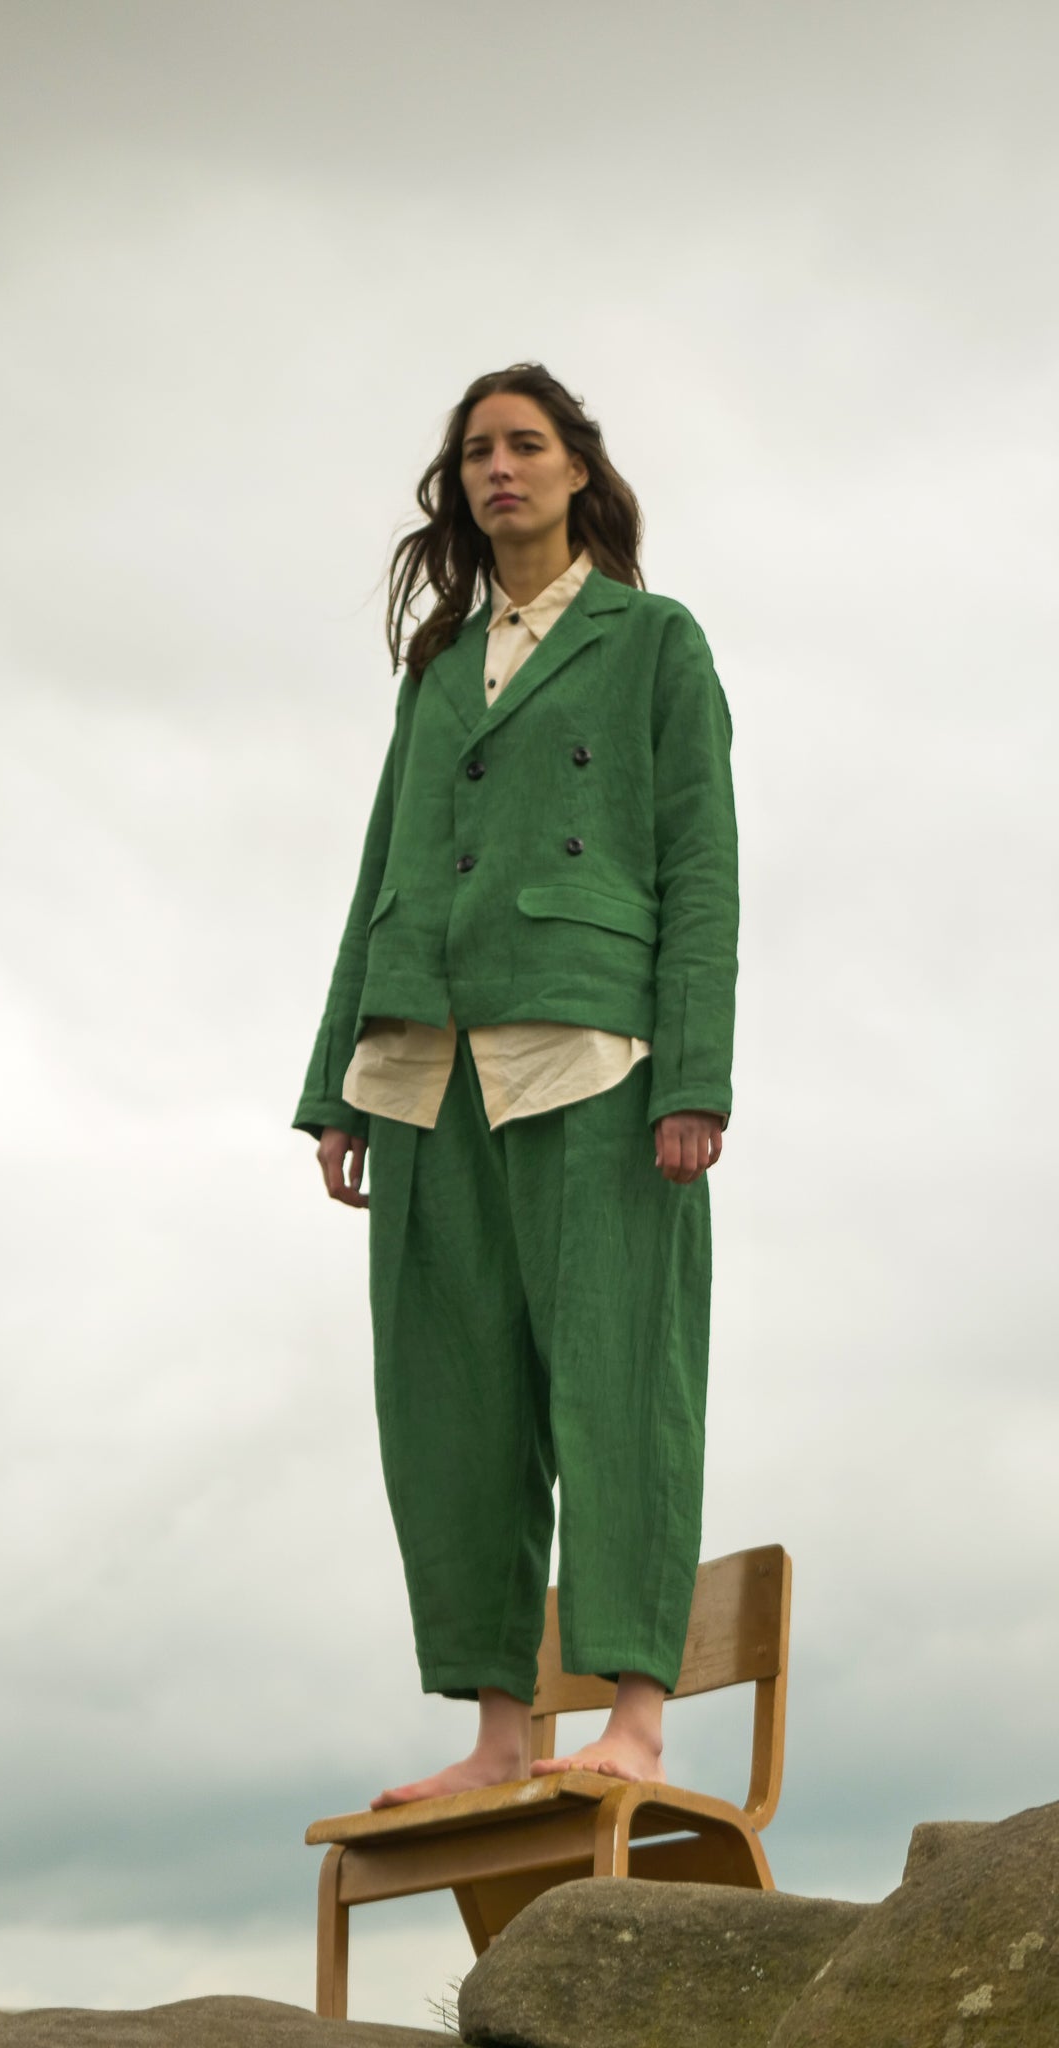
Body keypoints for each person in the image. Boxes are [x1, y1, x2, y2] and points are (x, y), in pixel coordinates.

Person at [291, 362, 738, 1812]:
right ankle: (501, 1736)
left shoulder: (653, 642)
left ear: (578, 471)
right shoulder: (435, 669)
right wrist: (334, 1085)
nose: (499, 469)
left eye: (525, 445)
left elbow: (701, 871)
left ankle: (635, 1719)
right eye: (476, 450)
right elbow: (380, 870)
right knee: (454, 1404)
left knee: (617, 1386)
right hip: (423, 1061)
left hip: (596, 1057)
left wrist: (697, 1075)